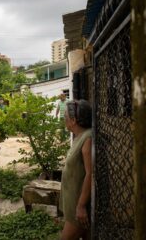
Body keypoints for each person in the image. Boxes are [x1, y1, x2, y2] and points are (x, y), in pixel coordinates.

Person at [60, 100, 92, 240]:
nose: (64, 119)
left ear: (73, 120)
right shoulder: (80, 136)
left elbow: (91, 174)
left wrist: (80, 206)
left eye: (65, 116)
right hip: (73, 201)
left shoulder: (88, 138)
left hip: (78, 206)